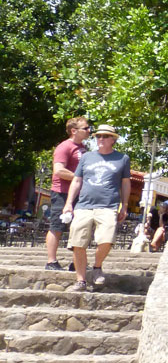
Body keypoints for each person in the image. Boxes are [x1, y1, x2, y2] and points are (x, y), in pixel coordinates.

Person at [61, 124, 131, 292]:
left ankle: (97, 266)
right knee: (78, 242)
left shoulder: (122, 159)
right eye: (98, 136)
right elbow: (77, 180)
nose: (100, 139)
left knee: (106, 240)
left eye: (105, 136)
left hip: (108, 205)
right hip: (84, 205)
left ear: (113, 139)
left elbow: (125, 183)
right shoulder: (86, 157)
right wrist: (69, 203)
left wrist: (125, 205)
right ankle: (81, 280)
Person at [46, 117, 90, 270]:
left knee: (79, 227)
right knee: (57, 226)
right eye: (85, 128)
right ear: (74, 131)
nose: (89, 130)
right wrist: (80, 177)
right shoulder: (64, 147)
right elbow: (58, 170)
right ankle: (51, 261)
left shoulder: (82, 148)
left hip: (79, 193)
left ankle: (75, 263)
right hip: (62, 192)